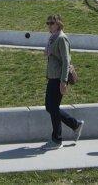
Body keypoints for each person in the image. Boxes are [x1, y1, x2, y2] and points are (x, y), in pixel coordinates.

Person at [42, 14, 83, 149]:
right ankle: (75, 124)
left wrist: (63, 81)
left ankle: (57, 140)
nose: (49, 25)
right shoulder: (52, 38)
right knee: (50, 107)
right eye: (48, 23)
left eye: (52, 23)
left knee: (52, 107)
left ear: (58, 24)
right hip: (52, 77)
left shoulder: (61, 38)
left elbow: (66, 61)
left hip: (59, 78)